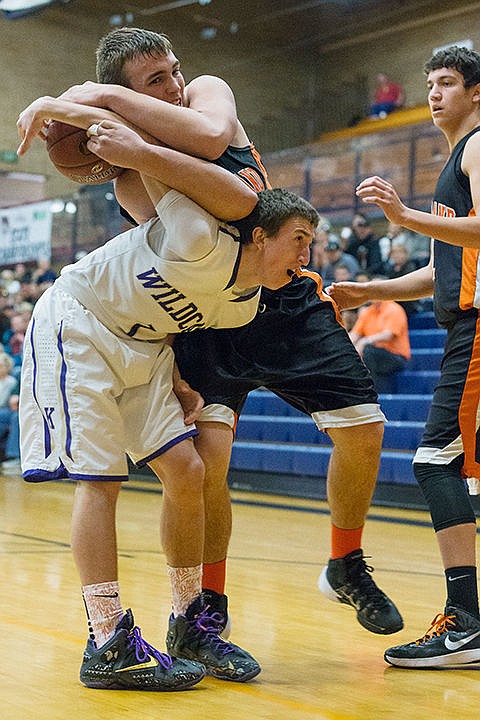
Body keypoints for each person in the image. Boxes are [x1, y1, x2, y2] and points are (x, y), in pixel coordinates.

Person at [20, 27, 404, 644]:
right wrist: (96, 129)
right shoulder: (128, 175)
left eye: (173, 70)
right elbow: (178, 253)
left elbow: (210, 140)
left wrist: (90, 101)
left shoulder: (205, 94)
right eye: (155, 80)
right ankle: (205, 611)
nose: (174, 83)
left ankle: (346, 563)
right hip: (212, 303)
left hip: (275, 284)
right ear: (124, 96)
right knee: (204, 464)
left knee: (365, 427)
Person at [17, 106, 319, 688]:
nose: (306, 258)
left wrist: (181, 380)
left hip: (147, 345)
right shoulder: (198, 235)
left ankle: (187, 622)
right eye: (298, 241)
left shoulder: (245, 303)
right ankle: (106, 639)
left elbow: (180, 317)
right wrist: (76, 109)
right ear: (260, 236)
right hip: (81, 323)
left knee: (188, 469)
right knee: (100, 481)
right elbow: (152, 158)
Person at [328, 45, 480, 667]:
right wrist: (374, 290)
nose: (435, 93)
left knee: (434, 461)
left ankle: (465, 624)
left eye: (447, 82)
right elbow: (448, 265)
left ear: (477, 93)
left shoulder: (476, 147)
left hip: (477, 329)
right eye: (430, 82)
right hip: (464, 323)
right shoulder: (458, 156)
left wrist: (404, 215)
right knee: (453, 468)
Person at [349, 297, 410, 393]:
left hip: (396, 356)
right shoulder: (367, 312)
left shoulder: (394, 309)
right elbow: (355, 334)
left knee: (368, 351)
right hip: (375, 353)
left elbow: (388, 335)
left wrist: (365, 341)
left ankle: (370, 391)